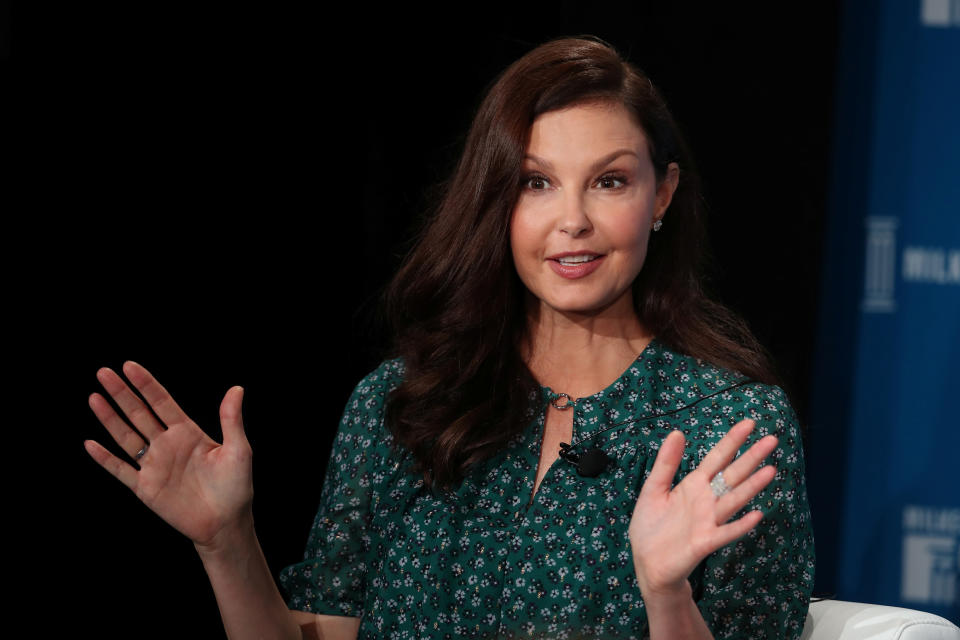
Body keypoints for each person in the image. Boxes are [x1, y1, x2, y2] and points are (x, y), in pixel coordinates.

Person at [84, 36, 815, 639]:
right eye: (536, 183)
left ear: (662, 194)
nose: (572, 222)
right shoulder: (402, 403)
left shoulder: (731, 427)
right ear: (495, 199)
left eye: (609, 182)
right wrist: (227, 542)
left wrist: (664, 594)